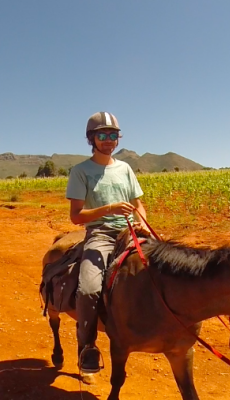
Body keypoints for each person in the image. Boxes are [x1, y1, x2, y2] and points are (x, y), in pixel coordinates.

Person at [65, 112, 146, 374]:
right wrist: (108, 209)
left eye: (114, 135)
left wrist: (142, 221)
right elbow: (76, 216)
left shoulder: (125, 168)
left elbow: (138, 205)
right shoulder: (81, 172)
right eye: (103, 135)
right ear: (92, 139)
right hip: (101, 235)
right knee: (89, 289)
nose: (109, 140)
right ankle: (87, 346)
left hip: (131, 232)